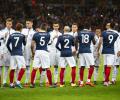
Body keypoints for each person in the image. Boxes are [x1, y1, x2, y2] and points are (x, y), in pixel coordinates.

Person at [30, 23, 53, 88]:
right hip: (44, 51)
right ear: (45, 28)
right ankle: (51, 84)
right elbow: (48, 43)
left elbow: (32, 45)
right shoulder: (48, 35)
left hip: (37, 51)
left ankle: (32, 83)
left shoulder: (36, 34)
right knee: (47, 68)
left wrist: (33, 53)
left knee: (34, 68)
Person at [6, 23, 26, 88]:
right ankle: (18, 82)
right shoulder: (22, 35)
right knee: (23, 68)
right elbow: (25, 44)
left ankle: (11, 84)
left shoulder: (11, 35)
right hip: (19, 54)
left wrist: (11, 51)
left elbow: (7, 45)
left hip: (13, 54)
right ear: (21, 29)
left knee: (12, 69)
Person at [0, 18, 15, 87]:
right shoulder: (1, 32)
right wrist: (4, 36)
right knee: (0, 66)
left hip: (10, 51)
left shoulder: (14, 32)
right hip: (2, 51)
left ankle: (4, 82)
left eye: (10, 24)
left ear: (12, 24)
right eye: (8, 24)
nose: (9, 25)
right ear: (6, 24)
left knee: (6, 67)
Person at [22, 19, 35, 86]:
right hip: (22, 51)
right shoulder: (23, 31)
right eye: (26, 23)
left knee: (28, 66)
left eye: (28, 23)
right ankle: (16, 81)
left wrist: (33, 53)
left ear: (32, 23)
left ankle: (27, 81)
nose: (27, 24)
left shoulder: (34, 32)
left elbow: (34, 43)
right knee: (21, 66)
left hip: (29, 51)